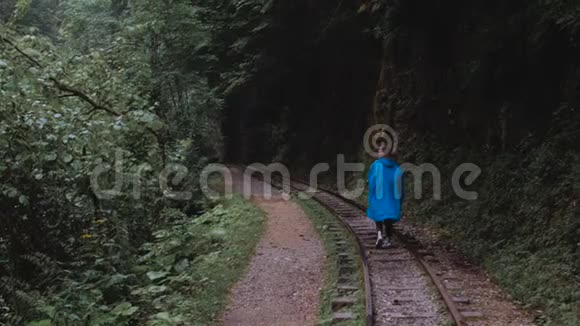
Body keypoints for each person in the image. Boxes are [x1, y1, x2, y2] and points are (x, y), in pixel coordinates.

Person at [367, 142, 404, 248]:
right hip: (392, 198)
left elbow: (372, 181)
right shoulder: (397, 167)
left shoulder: (376, 165)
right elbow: (400, 186)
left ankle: (379, 235)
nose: (378, 153)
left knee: (378, 214)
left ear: (384, 153)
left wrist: (372, 192)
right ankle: (388, 238)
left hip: (379, 195)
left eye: (379, 150)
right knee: (388, 218)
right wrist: (400, 199)